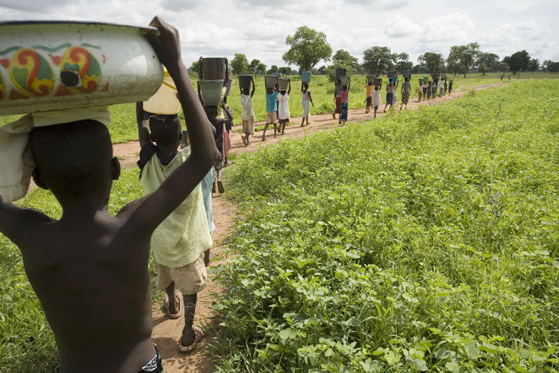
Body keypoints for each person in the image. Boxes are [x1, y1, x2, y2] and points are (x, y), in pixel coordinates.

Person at [0, 16, 219, 372]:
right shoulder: (131, 225)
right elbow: (204, 156)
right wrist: (176, 66)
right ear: (115, 170)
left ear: (37, 178)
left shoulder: (30, 233)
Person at [136, 102, 213, 353]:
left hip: (159, 239)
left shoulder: (147, 160)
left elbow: (141, 124)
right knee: (189, 288)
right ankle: (188, 333)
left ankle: (171, 305)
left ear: (152, 139)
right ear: (181, 135)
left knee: (167, 276)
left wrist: (142, 101)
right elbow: (208, 138)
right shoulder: (190, 161)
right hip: (186, 243)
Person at [205, 103, 233, 194]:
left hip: (209, 147)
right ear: (217, 112)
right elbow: (230, 119)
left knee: (212, 166)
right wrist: (224, 107)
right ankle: (219, 179)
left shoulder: (206, 122)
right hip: (219, 146)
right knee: (219, 165)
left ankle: (213, 186)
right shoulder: (220, 121)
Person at [240, 76, 255, 146]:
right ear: (248, 92)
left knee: (246, 129)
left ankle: (247, 141)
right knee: (250, 129)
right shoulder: (249, 97)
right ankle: (245, 137)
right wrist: (252, 80)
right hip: (249, 115)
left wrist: (240, 82)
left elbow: (240, 89)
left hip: (244, 115)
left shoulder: (242, 97)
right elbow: (254, 90)